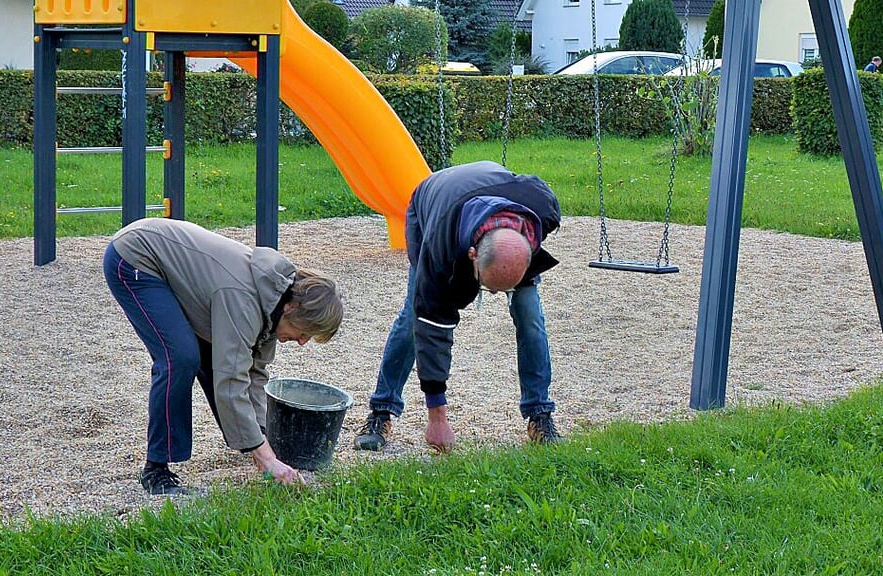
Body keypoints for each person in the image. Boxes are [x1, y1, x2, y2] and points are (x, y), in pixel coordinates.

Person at [104, 218, 344, 495]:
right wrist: (266, 458)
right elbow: (231, 381)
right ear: (291, 308)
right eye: (304, 332)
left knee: (214, 358)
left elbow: (253, 373)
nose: (302, 342)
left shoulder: (272, 301)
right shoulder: (243, 300)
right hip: (136, 257)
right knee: (180, 357)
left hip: (167, 263)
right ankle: (156, 469)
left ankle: (249, 442)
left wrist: (262, 439)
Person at [353, 160, 562, 453]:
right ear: (472, 254)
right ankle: (381, 410)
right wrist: (436, 416)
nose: (492, 295)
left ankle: (540, 414)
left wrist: (512, 278)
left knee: (530, 316)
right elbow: (432, 326)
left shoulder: (543, 211)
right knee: (414, 317)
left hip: (497, 205)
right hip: (431, 201)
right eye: (488, 286)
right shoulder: (440, 250)